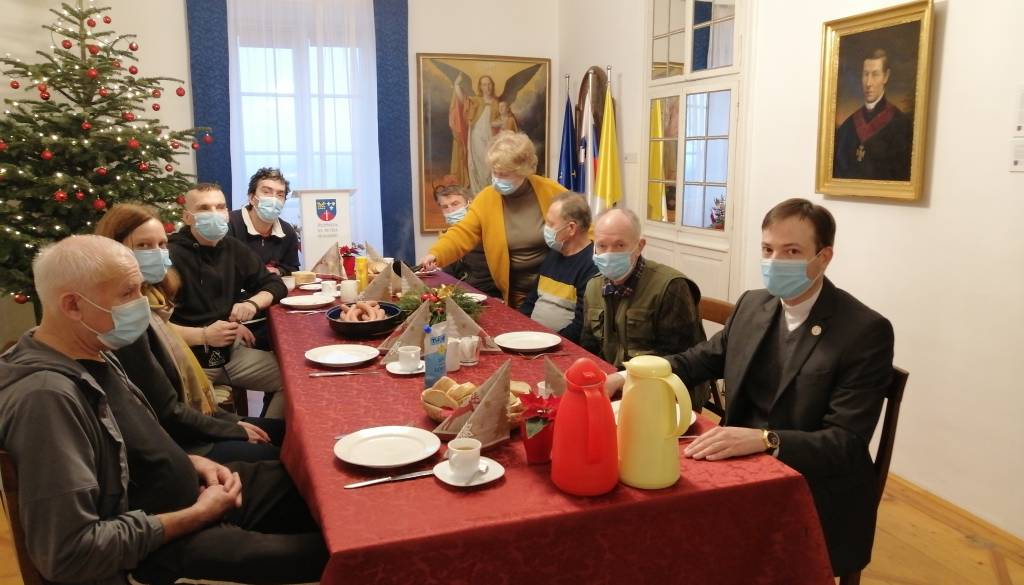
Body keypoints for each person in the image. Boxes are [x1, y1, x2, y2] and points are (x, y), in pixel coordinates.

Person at [0, 235, 327, 585]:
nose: (142, 303)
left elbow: (131, 446)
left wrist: (190, 461)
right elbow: (70, 554)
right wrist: (198, 514)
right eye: (128, 293)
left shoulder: (93, 350)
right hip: (162, 548)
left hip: (192, 494)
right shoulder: (46, 399)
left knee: (320, 480)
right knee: (334, 554)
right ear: (72, 305)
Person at [606, 198, 895, 576]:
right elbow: (699, 359)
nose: (775, 261)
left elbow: (846, 442)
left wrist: (765, 440)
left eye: (792, 251)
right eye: (767, 249)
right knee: (646, 509)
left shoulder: (864, 331)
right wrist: (630, 375)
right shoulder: (754, 305)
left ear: (824, 257)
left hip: (810, 486)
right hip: (740, 464)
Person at [95, 203, 283, 463]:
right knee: (283, 454)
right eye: (144, 246)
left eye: (161, 245)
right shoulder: (129, 320)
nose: (157, 253)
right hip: (182, 439)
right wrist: (234, 429)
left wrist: (248, 306)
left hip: (216, 376)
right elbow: (168, 411)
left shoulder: (157, 294)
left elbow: (273, 283)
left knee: (289, 423)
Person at [168, 183, 288, 418]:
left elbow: (275, 285)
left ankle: (267, 434)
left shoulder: (232, 248)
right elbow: (153, 325)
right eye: (204, 208)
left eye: (220, 207)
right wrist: (203, 335)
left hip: (230, 354)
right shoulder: (170, 256)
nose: (214, 214)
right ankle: (238, 435)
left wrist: (251, 304)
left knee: (292, 382)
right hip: (190, 359)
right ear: (187, 217)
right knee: (190, 419)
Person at [420, 131, 567, 308]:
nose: (497, 179)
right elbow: (462, 233)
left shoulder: (550, 191)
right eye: (494, 172)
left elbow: (582, 228)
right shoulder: (486, 198)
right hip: (515, 295)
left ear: (523, 171)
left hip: (554, 291)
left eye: (503, 174)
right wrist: (436, 253)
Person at [579, 208, 709, 407]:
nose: (609, 254)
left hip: (665, 394)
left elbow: (683, 361)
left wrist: (623, 378)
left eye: (620, 245)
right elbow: (589, 348)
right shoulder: (593, 287)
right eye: (602, 246)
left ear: (639, 246)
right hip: (613, 389)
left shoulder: (671, 287)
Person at [519, 192, 598, 343]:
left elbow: (580, 327)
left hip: (559, 345)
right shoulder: (554, 253)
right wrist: (519, 327)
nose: (545, 229)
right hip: (532, 338)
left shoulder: (592, 266)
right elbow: (531, 301)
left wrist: (545, 342)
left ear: (571, 228)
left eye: (550, 224)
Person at [833, 48, 913, 180]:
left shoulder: (902, 125)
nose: (868, 83)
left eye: (875, 74)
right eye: (865, 74)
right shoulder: (846, 128)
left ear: (886, 77)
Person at [227, 167, 300, 276]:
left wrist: (279, 271)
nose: (274, 199)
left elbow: (292, 269)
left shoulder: (287, 231)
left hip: (272, 285)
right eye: (266, 192)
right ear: (252, 198)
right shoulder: (229, 224)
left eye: (280, 195)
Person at [434, 184, 501, 297]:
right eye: (445, 207)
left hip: (492, 295)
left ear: (469, 203)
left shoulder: (487, 231)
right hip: (463, 295)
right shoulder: (446, 237)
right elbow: (449, 276)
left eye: (455, 204)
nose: (451, 210)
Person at [450, 73, 500, 193]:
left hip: (490, 135)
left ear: (492, 86)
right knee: (478, 161)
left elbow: (501, 118)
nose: (487, 87)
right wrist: (456, 85)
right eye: (484, 85)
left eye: (489, 84)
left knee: (489, 162)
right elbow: (463, 100)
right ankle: (478, 190)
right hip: (476, 134)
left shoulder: (496, 102)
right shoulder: (476, 100)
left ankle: (489, 190)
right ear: (480, 87)